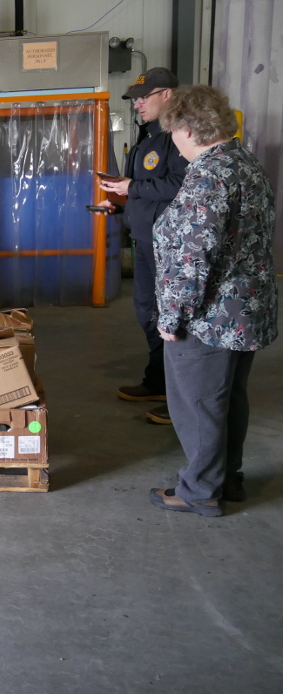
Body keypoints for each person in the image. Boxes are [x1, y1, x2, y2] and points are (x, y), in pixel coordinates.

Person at [147, 85, 278, 516]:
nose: (174, 142)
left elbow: (193, 256)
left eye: (173, 132)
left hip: (209, 316)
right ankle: (227, 479)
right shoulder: (244, 163)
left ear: (187, 128)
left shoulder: (209, 175)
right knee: (228, 399)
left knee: (198, 405)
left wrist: (172, 316)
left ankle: (200, 491)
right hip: (244, 310)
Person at [99, 68, 189, 425]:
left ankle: (180, 398)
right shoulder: (148, 136)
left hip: (168, 243)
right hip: (146, 238)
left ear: (167, 94)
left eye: (143, 97)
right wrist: (121, 204)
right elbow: (148, 190)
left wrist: (131, 188)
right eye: (135, 98)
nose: (137, 103)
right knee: (148, 312)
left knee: (170, 318)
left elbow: (181, 185)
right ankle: (158, 381)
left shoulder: (179, 136)